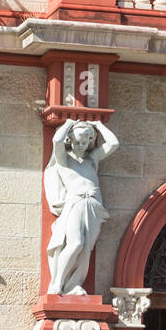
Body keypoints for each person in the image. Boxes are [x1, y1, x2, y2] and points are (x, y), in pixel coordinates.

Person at [43, 117, 119, 295]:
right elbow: (56, 140)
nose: (81, 145)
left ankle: (74, 285)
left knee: (86, 249)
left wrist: (98, 125)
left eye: (85, 141)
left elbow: (114, 143)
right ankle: (57, 283)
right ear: (70, 140)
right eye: (77, 141)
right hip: (75, 203)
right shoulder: (64, 160)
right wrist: (69, 123)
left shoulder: (92, 159)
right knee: (75, 243)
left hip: (93, 205)